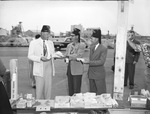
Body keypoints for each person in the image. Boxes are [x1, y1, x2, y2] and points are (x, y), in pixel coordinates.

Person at [28, 25, 55, 99]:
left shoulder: (50, 43)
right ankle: (38, 106)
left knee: (48, 89)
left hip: (49, 67)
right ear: (41, 33)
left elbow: (52, 54)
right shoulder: (33, 43)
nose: (47, 35)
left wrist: (56, 56)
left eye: (48, 34)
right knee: (39, 89)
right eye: (45, 34)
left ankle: (47, 105)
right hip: (40, 65)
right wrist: (40, 58)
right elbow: (30, 56)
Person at [83, 29, 107, 95]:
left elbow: (101, 62)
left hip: (98, 75)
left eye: (92, 38)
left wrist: (89, 62)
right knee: (92, 94)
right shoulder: (91, 47)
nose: (91, 39)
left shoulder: (103, 48)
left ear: (97, 39)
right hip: (91, 74)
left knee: (101, 94)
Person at [64, 28, 86, 96]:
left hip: (77, 70)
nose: (71, 37)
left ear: (77, 36)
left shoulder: (81, 45)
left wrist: (68, 56)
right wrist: (65, 58)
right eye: (71, 35)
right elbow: (66, 55)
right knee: (70, 90)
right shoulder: (69, 45)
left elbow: (78, 56)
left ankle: (76, 105)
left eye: (73, 35)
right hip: (69, 69)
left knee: (76, 91)